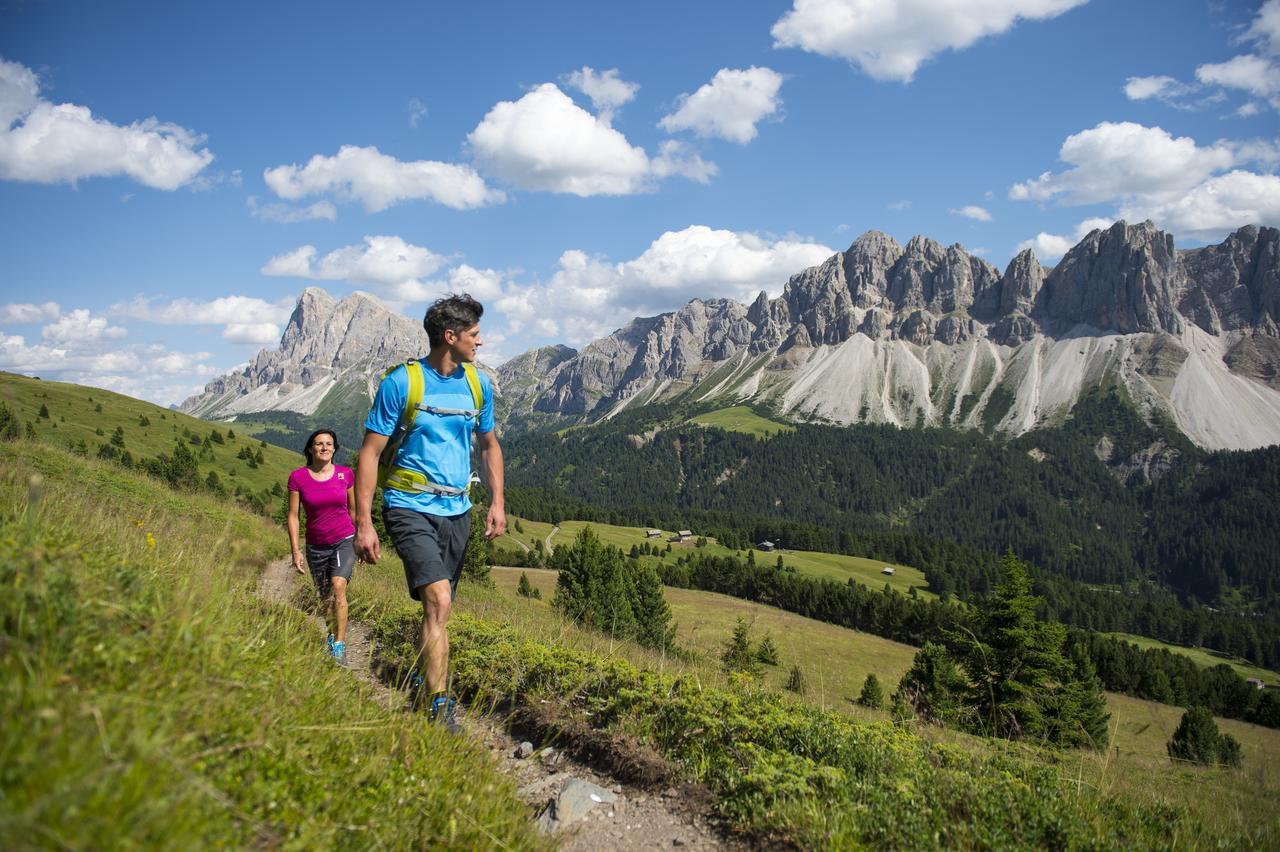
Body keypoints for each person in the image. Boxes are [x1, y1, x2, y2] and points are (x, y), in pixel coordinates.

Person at [355, 293, 505, 732]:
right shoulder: (401, 383)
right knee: (438, 600)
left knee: (438, 611)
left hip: (458, 511)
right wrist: (364, 522)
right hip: (407, 507)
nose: (481, 341)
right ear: (450, 336)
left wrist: (496, 502)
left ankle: (424, 680)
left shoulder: (477, 384)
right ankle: (439, 707)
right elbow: (368, 453)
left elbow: (490, 445)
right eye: (474, 334)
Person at [287, 429, 357, 665]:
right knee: (324, 597)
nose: (324, 447)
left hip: (344, 539)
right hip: (316, 545)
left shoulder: (345, 474)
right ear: (310, 449)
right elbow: (293, 516)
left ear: (335, 448)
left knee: (338, 587)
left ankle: (339, 644)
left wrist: (361, 539)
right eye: (319, 444)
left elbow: (354, 510)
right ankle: (330, 635)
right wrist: (295, 549)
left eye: (329, 444)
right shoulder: (298, 477)